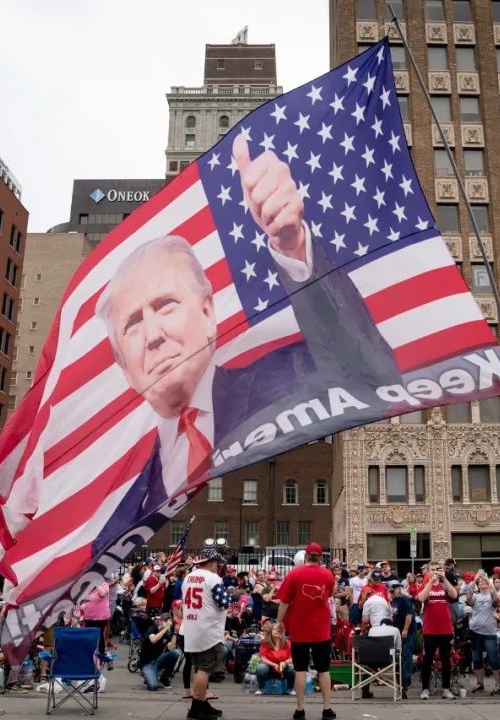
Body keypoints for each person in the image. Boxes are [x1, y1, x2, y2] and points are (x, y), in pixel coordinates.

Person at [94, 134, 405, 521]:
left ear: (209, 312)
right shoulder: (118, 489)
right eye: (134, 323)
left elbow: (372, 375)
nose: (154, 334)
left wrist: (292, 246)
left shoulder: (284, 377)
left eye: (166, 305)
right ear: (123, 365)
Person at [276, 542, 336, 720]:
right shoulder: (327, 575)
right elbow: (330, 594)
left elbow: (284, 601)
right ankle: (327, 708)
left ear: (305, 556)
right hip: (321, 629)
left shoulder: (294, 574)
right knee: (324, 670)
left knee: (300, 669)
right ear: (320, 557)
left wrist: (279, 621)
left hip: (300, 628)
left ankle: (300, 709)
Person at [179, 548, 231, 720]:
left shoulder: (189, 577)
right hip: (208, 630)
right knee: (205, 668)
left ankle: (202, 703)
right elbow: (224, 602)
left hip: (192, 628)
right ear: (210, 562)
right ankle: (196, 707)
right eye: (216, 562)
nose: (217, 566)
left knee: (198, 667)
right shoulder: (212, 578)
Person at [417, 561, 458, 700]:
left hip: (445, 629)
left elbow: (454, 595)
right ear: (428, 571)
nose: (436, 571)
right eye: (433, 569)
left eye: (438, 569)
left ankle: (446, 689)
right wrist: (430, 582)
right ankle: (425, 689)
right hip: (430, 630)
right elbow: (421, 598)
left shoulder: (444, 585)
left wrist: (444, 579)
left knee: (446, 660)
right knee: (427, 660)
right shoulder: (424, 585)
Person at [466, 574, 500, 695]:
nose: (482, 582)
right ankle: (479, 684)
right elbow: (468, 598)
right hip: (475, 632)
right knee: (476, 659)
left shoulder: (491, 595)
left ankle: (498, 685)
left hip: (489, 632)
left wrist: (490, 584)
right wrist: (474, 581)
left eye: (484, 580)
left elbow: (497, 601)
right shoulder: (476, 595)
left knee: (493, 657)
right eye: (480, 581)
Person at [140, 611, 180, 691]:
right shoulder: (152, 628)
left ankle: (164, 678)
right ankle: (148, 676)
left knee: (175, 653)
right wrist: (165, 628)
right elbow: (153, 640)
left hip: (158, 661)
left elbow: (171, 648)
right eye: (165, 621)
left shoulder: (167, 633)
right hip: (147, 664)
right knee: (154, 686)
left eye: (169, 621)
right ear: (161, 621)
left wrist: (175, 633)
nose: (168, 623)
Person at [390, 580, 416, 698]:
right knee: (400, 657)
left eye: (393, 590)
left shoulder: (405, 599)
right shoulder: (394, 600)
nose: (391, 592)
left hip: (407, 632)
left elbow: (409, 615)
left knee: (406, 656)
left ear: (398, 589)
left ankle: (405, 683)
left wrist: (405, 629)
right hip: (397, 631)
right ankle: (401, 683)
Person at [256, 623, 296, 695]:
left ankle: (290, 689)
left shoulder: (287, 643)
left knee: (293, 668)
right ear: (271, 631)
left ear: (282, 632)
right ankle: (261, 689)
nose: (276, 631)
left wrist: (285, 663)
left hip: (283, 670)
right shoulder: (265, 642)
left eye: (278, 629)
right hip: (269, 669)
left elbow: (292, 658)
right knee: (261, 667)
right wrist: (274, 664)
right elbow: (263, 658)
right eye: (274, 629)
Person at [82, 577, 113, 654]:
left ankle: (100, 655)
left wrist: (96, 583)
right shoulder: (87, 585)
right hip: (89, 616)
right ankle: (89, 654)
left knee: (99, 634)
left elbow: (102, 594)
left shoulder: (104, 584)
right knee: (89, 635)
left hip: (100, 617)